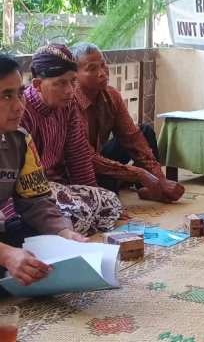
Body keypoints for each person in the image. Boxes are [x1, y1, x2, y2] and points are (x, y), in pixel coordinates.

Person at [2, 44, 122, 236]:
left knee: (108, 200)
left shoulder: (20, 137)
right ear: (37, 85)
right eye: (60, 83)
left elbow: (78, 157)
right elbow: (17, 195)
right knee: (74, 218)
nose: (70, 91)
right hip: (23, 202)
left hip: (45, 192)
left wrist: (94, 200)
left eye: (73, 81)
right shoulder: (19, 120)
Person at [0, 53, 88, 287]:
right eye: (6, 96)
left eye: (20, 94)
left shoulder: (19, 142)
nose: (19, 106)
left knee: (44, 246)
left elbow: (37, 201)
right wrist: (6, 255)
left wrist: (64, 234)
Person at [70, 42, 184, 203]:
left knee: (144, 132)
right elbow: (84, 158)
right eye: (92, 69)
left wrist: (160, 180)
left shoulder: (112, 95)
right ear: (74, 75)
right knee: (109, 197)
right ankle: (125, 181)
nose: (102, 73)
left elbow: (133, 138)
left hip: (99, 155)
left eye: (103, 65)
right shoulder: (70, 102)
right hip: (79, 165)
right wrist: (139, 173)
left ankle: (150, 189)